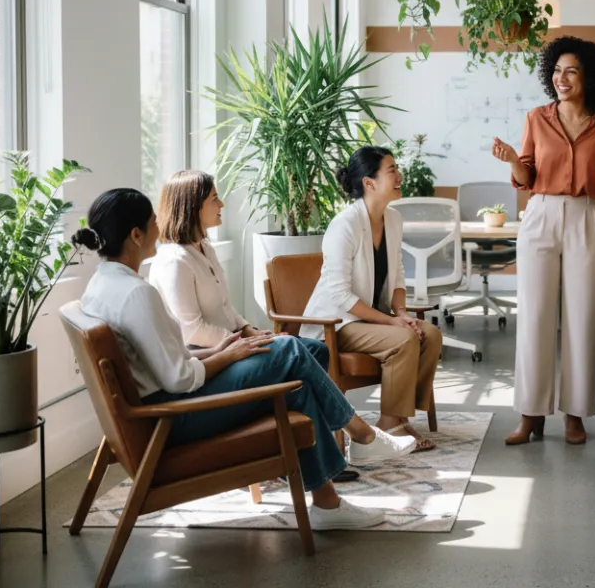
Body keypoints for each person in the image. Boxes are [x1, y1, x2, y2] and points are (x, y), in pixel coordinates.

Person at [75, 188, 416, 530]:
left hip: (166, 402)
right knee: (293, 351)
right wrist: (229, 355)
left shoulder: (101, 286)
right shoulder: (137, 293)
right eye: (152, 223)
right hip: (174, 416)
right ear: (136, 235)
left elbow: (164, 360)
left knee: (306, 363)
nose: (159, 228)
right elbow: (179, 378)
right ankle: (360, 436)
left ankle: (327, 502)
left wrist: (221, 350)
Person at [491, 36, 595, 446]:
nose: (561, 78)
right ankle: (531, 414)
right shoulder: (536, 118)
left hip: (586, 214)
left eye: (571, 71)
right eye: (556, 70)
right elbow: (526, 177)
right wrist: (514, 161)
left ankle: (576, 414)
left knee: (584, 317)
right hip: (540, 215)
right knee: (533, 314)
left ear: (590, 76)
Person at [302, 147, 443, 452]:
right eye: (392, 170)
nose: (399, 176)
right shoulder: (345, 224)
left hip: (370, 316)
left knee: (430, 335)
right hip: (337, 322)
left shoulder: (392, 219)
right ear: (369, 182)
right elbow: (339, 294)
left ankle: (401, 418)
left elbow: (399, 274)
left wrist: (402, 312)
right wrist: (394, 322)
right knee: (404, 339)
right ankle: (390, 423)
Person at [148, 170, 328, 363]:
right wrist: (245, 340)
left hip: (235, 343)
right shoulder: (174, 261)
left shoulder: (205, 247)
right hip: (210, 357)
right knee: (299, 351)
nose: (221, 204)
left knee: (316, 349)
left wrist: (248, 330)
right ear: (193, 207)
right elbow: (191, 331)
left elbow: (225, 308)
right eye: (214, 199)